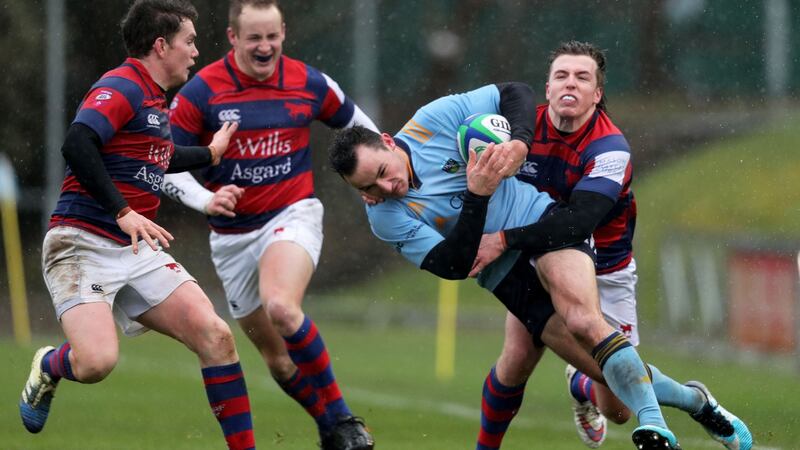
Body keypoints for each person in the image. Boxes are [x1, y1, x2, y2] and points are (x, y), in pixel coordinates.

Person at [328, 83, 684, 450]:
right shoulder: (383, 215)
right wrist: (477, 195)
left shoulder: (430, 122)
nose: (389, 187)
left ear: (388, 141)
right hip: (501, 272)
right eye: (370, 186)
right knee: (594, 394)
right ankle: (690, 402)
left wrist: (519, 142)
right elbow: (453, 266)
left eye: (384, 172)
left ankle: (673, 419)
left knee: (582, 325)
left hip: (539, 225)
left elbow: (514, 92)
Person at [468, 41, 752, 450]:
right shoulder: (518, 131)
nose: (571, 84)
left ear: (597, 95)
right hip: (537, 259)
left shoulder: (610, 148)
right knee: (514, 362)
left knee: (616, 407)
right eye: (561, 76)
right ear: (546, 88)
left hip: (605, 268)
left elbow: (577, 223)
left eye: (583, 78)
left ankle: (682, 398)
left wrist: (503, 240)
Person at [18, 1, 257, 449]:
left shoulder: (152, 100)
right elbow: (78, 142)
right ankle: (50, 366)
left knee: (216, 336)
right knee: (97, 363)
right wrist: (122, 210)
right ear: (161, 45)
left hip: (132, 248)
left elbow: (162, 157)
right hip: (81, 244)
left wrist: (211, 153)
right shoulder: (123, 85)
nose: (195, 51)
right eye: (188, 41)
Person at [161, 1, 377, 448]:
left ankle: (344, 419)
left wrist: (379, 174)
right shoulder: (202, 93)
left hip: (292, 214)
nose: (265, 47)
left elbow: (361, 129)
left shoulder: (308, 82)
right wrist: (205, 199)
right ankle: (330, 429)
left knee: (282, 308)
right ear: (233, 38)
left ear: (284, 33)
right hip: (232, 238)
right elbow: (163, 164)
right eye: (254, 37)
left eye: (272, 36)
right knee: (278, 363)